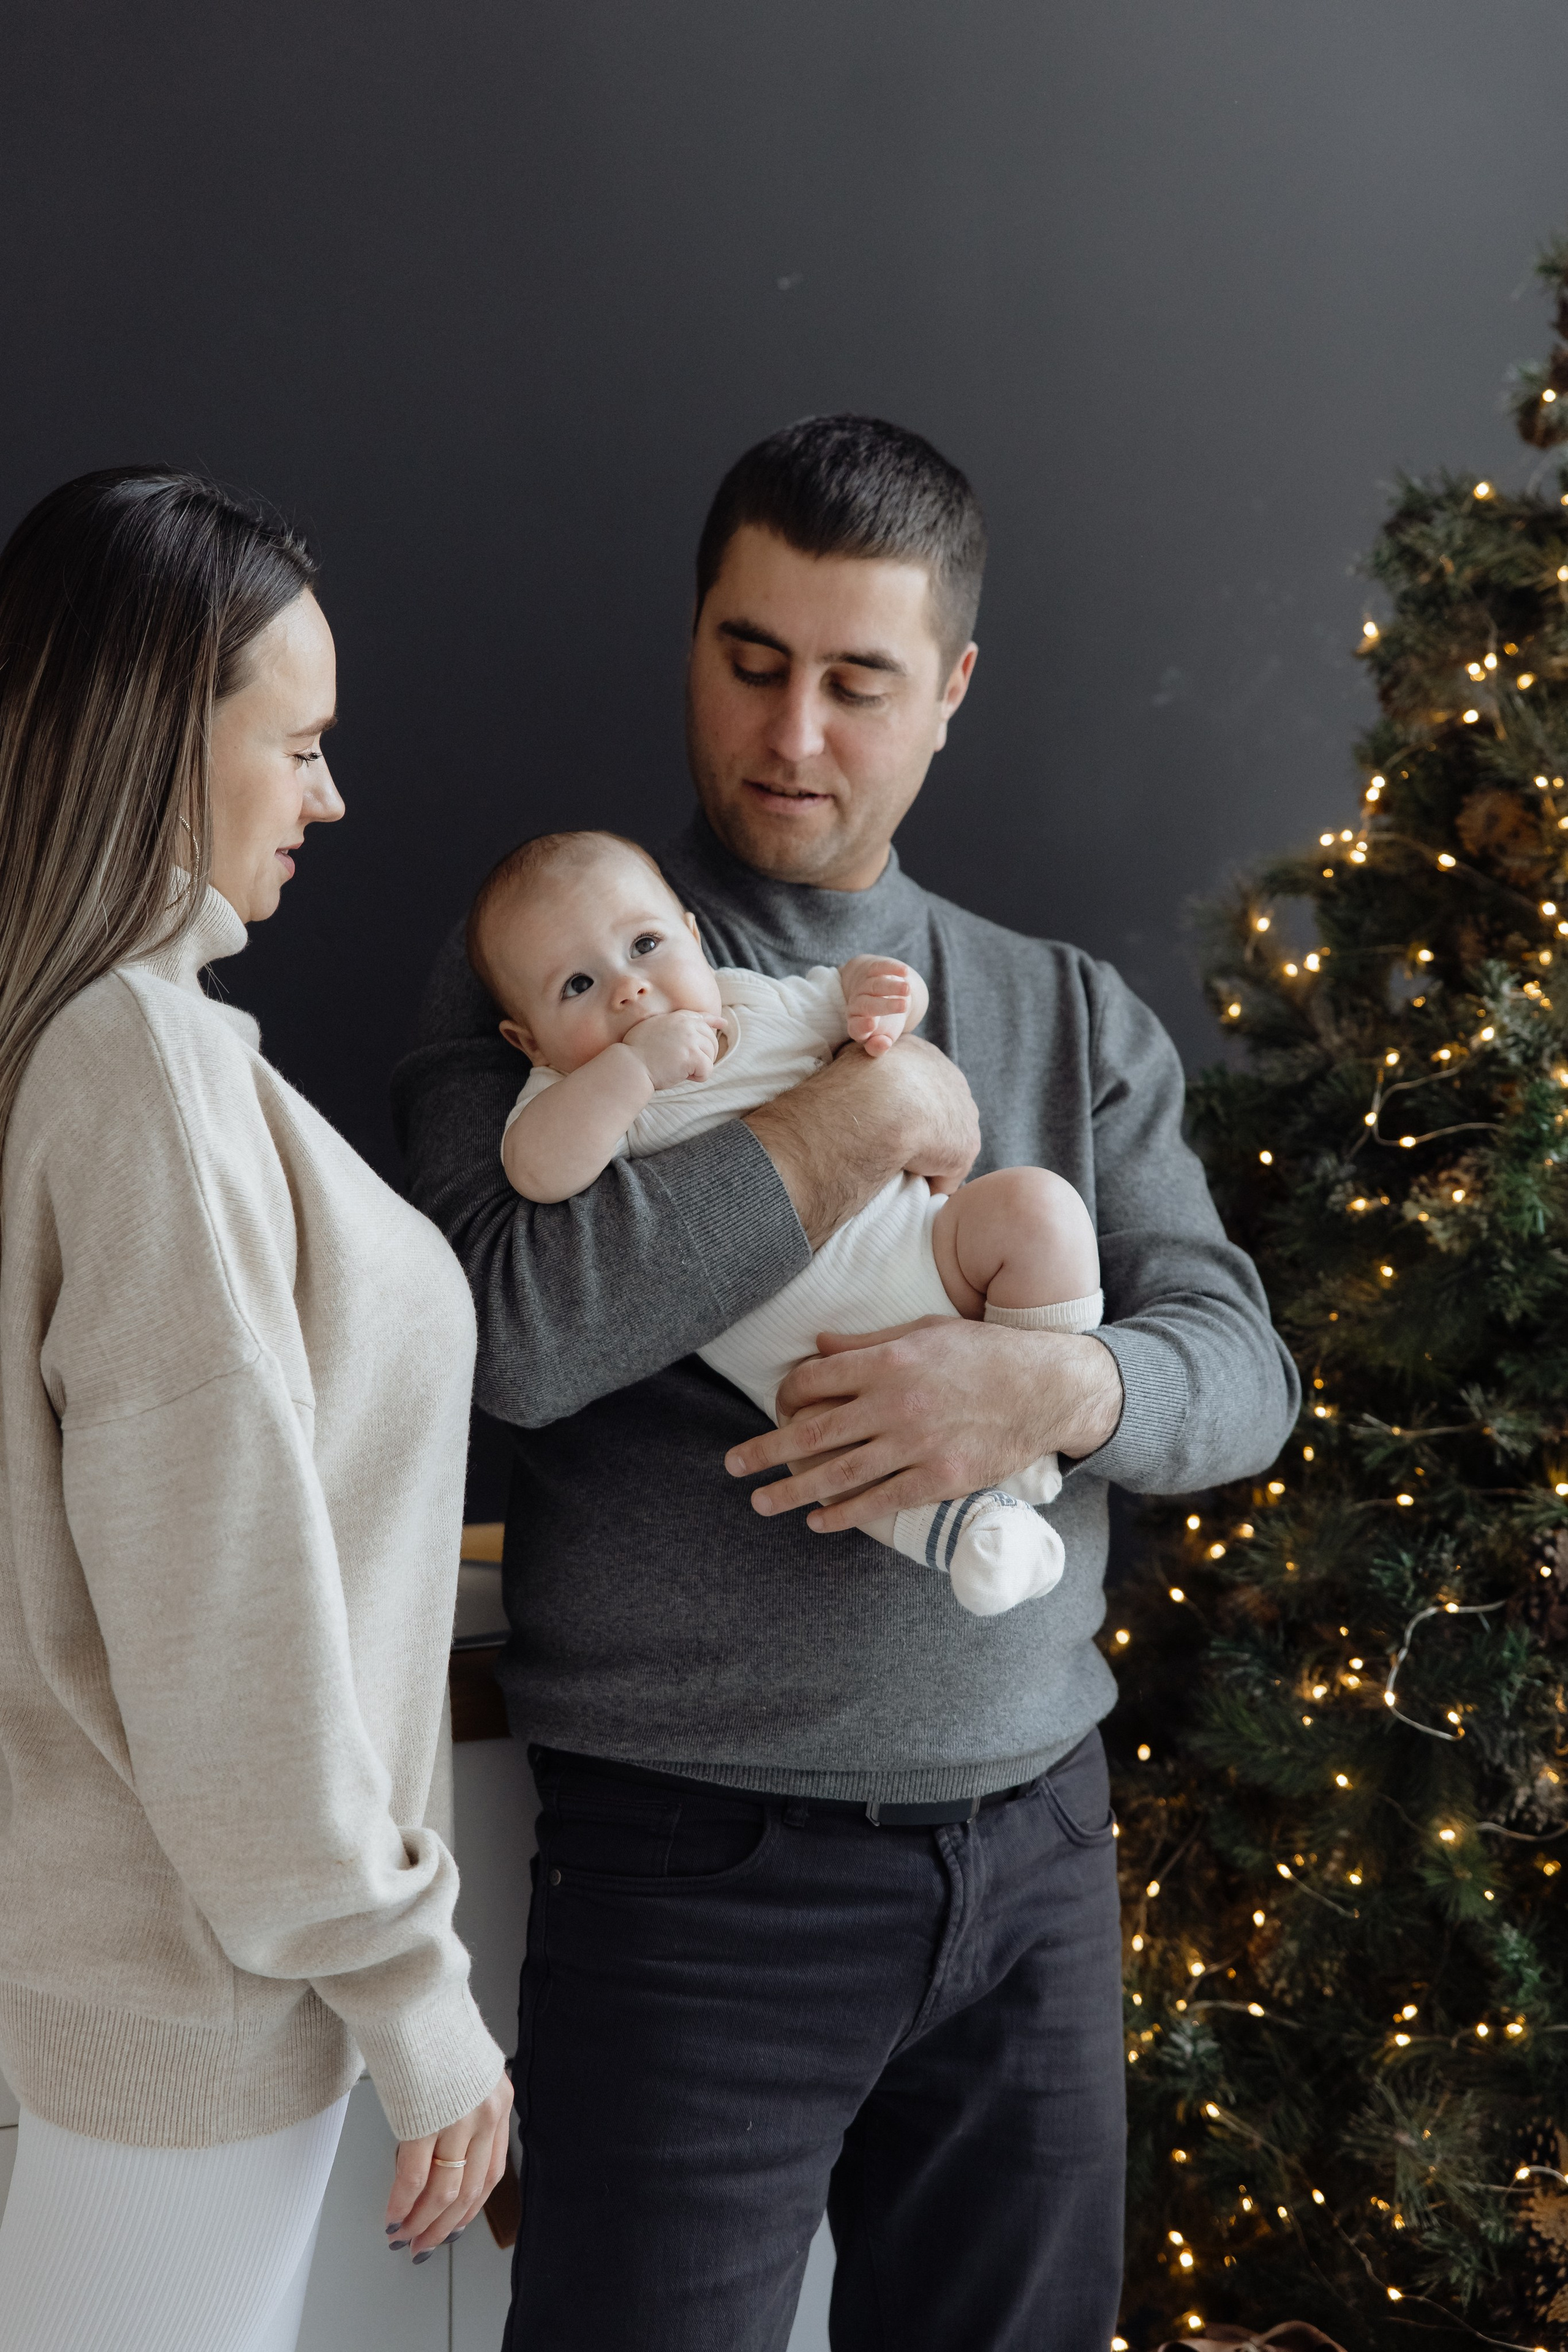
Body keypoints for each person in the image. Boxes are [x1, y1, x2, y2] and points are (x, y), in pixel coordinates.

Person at [394, 415, 1298, 2351]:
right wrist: (852, 1122)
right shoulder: (560, 969)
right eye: (749, 661)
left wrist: (1043, 1394)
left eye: (855, 682)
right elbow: (513, 1332)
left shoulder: (1058, 1009)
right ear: (693, 640)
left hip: (1037, 1854)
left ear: (950, 692)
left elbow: (1240, 1369)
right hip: (689, 1875)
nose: (790, 735)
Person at [0, 470, 511, 2352]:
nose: (330, 794)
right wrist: (416, 1999)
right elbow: (225, 1616)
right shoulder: (131, 1063)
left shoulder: (114, 1047)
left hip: (183, 1969)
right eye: (296, 744)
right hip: (204, 1985)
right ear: (155, 743)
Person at [468, 826, 1104, 1614]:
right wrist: (632, 1071)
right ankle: (985, 1532)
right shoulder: (577, 1093)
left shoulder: (757, 1002)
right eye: (576, 987)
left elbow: (851, 998)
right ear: (527, 1041)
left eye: (644, 944)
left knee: (1040, 1210)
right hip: (815, 1368)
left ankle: (1034, 1394)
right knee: (841, 1459)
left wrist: (885, 991)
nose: (629, 990)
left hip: (930, 1252)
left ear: (695, 940)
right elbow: (539, 1169)